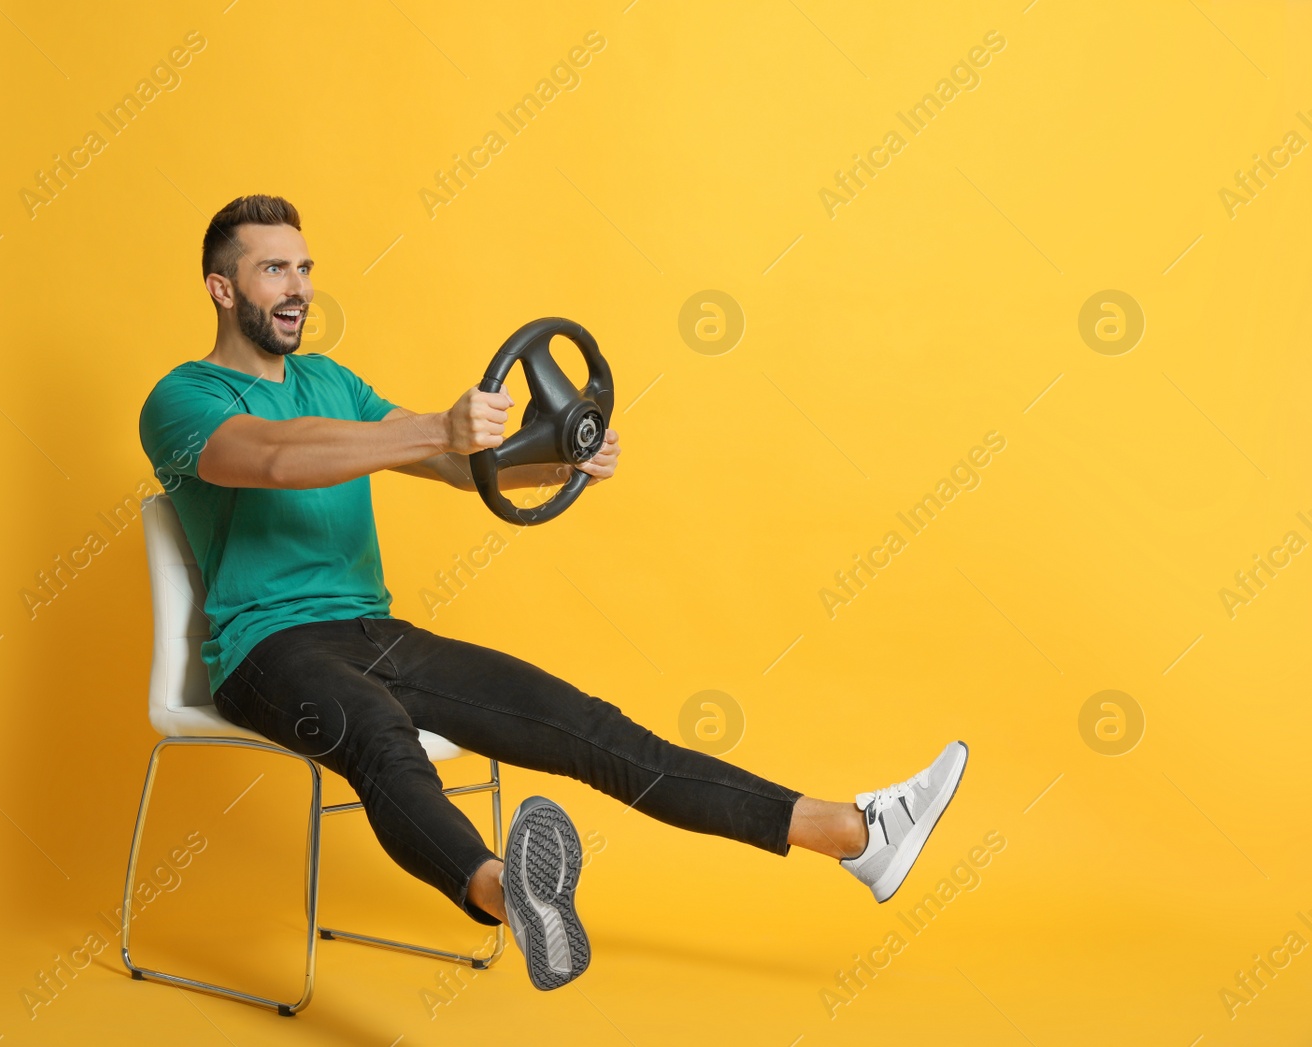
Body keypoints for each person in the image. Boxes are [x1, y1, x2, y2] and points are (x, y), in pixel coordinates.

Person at [138, 194, 969, 992]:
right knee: (380, 736)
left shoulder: (333, 381)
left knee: (586, 726)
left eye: (306, 267)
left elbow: (455, 465)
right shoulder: (182, 399)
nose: (300, 289)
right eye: (274, 270)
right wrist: (434, 424)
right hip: (263, 652)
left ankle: (857, 833)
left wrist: (559, 456)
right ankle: (508, 892)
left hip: (374, 631)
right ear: (222, 288)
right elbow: (275, 458)